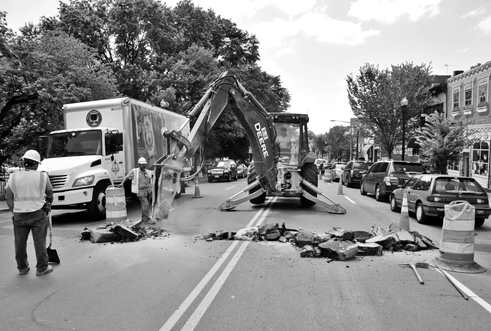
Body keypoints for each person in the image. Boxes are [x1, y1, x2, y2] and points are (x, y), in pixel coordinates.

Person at [5, 150, 54, 276]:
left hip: (19, 214)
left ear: (24, 162)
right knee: (39, 241)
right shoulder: (43, 176)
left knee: (19, 242)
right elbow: (50, 192)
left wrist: (14, 210)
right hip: (38, 213)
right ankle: (42, 268)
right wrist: (48, 203)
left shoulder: (13, 177)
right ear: (36, 164)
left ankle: (22, 268)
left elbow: (8, 197)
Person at [122, 157, 155, 224]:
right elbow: (127, 177)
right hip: (140, 192)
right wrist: (121, 184)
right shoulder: (135, 171)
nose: (144, 165)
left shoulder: (148, 172)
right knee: (145, 204)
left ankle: (144, 218)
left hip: (148, 191)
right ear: (139, 164)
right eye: (142, 164)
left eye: (144, 164)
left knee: (146, 205)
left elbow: (152, 179)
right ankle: (146, 219)